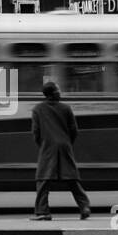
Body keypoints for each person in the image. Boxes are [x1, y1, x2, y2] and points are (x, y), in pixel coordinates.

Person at [30, 80, 91, 220]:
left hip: (47, 147)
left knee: (43, 179)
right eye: (58, 90)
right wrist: (67, 142)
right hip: (64, 146)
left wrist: (43, 144)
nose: (60, 92)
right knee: (72, 179)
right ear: (52, 94)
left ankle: (43, 211)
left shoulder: (38, 109)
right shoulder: (66, 108)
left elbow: (36, 132)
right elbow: (74, 130)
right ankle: (84, 206)